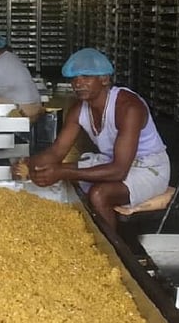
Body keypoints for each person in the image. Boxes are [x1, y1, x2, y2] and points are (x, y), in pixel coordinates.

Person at [20, 48, 170, 229]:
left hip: (149, 168)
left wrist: (60, 172)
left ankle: (111, 248)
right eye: (74, 79)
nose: (78, 83)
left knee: (99, 194)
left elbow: (118, 172)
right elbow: (57, 151)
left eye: (86, 77)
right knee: (57, 172)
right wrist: (29, 164)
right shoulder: (79, 109)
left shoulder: (128, 107)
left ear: (104, 79)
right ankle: (84, 227)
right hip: (111, 161)